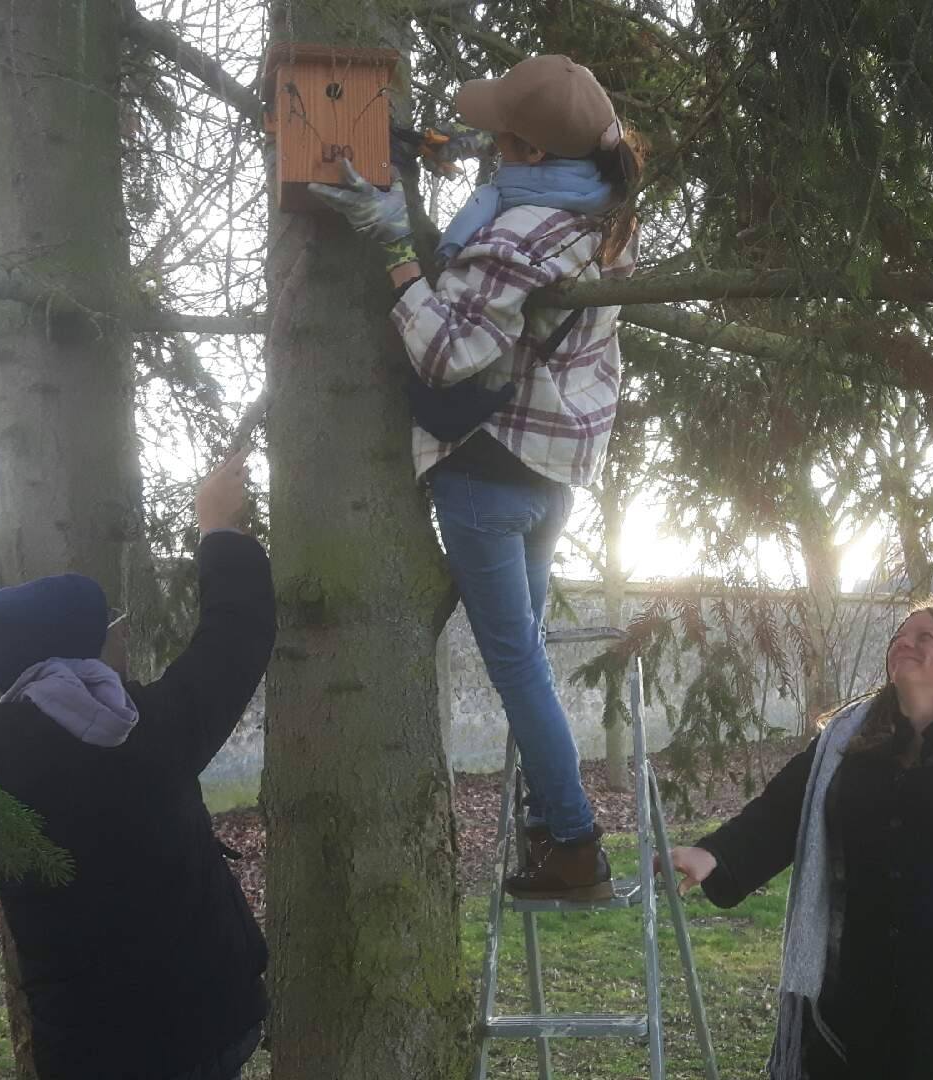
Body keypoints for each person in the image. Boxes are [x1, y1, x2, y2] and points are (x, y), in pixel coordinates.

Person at [310, 55, 642, 901]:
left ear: (531, 152)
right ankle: (547, 826)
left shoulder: (519, 233)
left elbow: (449, 351)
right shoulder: (599, 213)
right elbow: (500, 282)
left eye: (501, 136)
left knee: (517, 665)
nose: (489, 146)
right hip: (551, 472)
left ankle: (575, 845)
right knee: (527, 659)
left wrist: (394, 246)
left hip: (488, 470)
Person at [0, 450, 276, 1080]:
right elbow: (236, 635)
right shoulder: (151, 730)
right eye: (112, 624)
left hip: (85, 1046)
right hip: (203, 1023)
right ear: (82, 649)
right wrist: (217, 527)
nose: (123, 634)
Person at [665, 601, 933, 1080]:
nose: (905, 643)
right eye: (899, 637)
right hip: (857, 985)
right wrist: (715, 856)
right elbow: (782, 808)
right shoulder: (846, 741)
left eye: (924, 637)